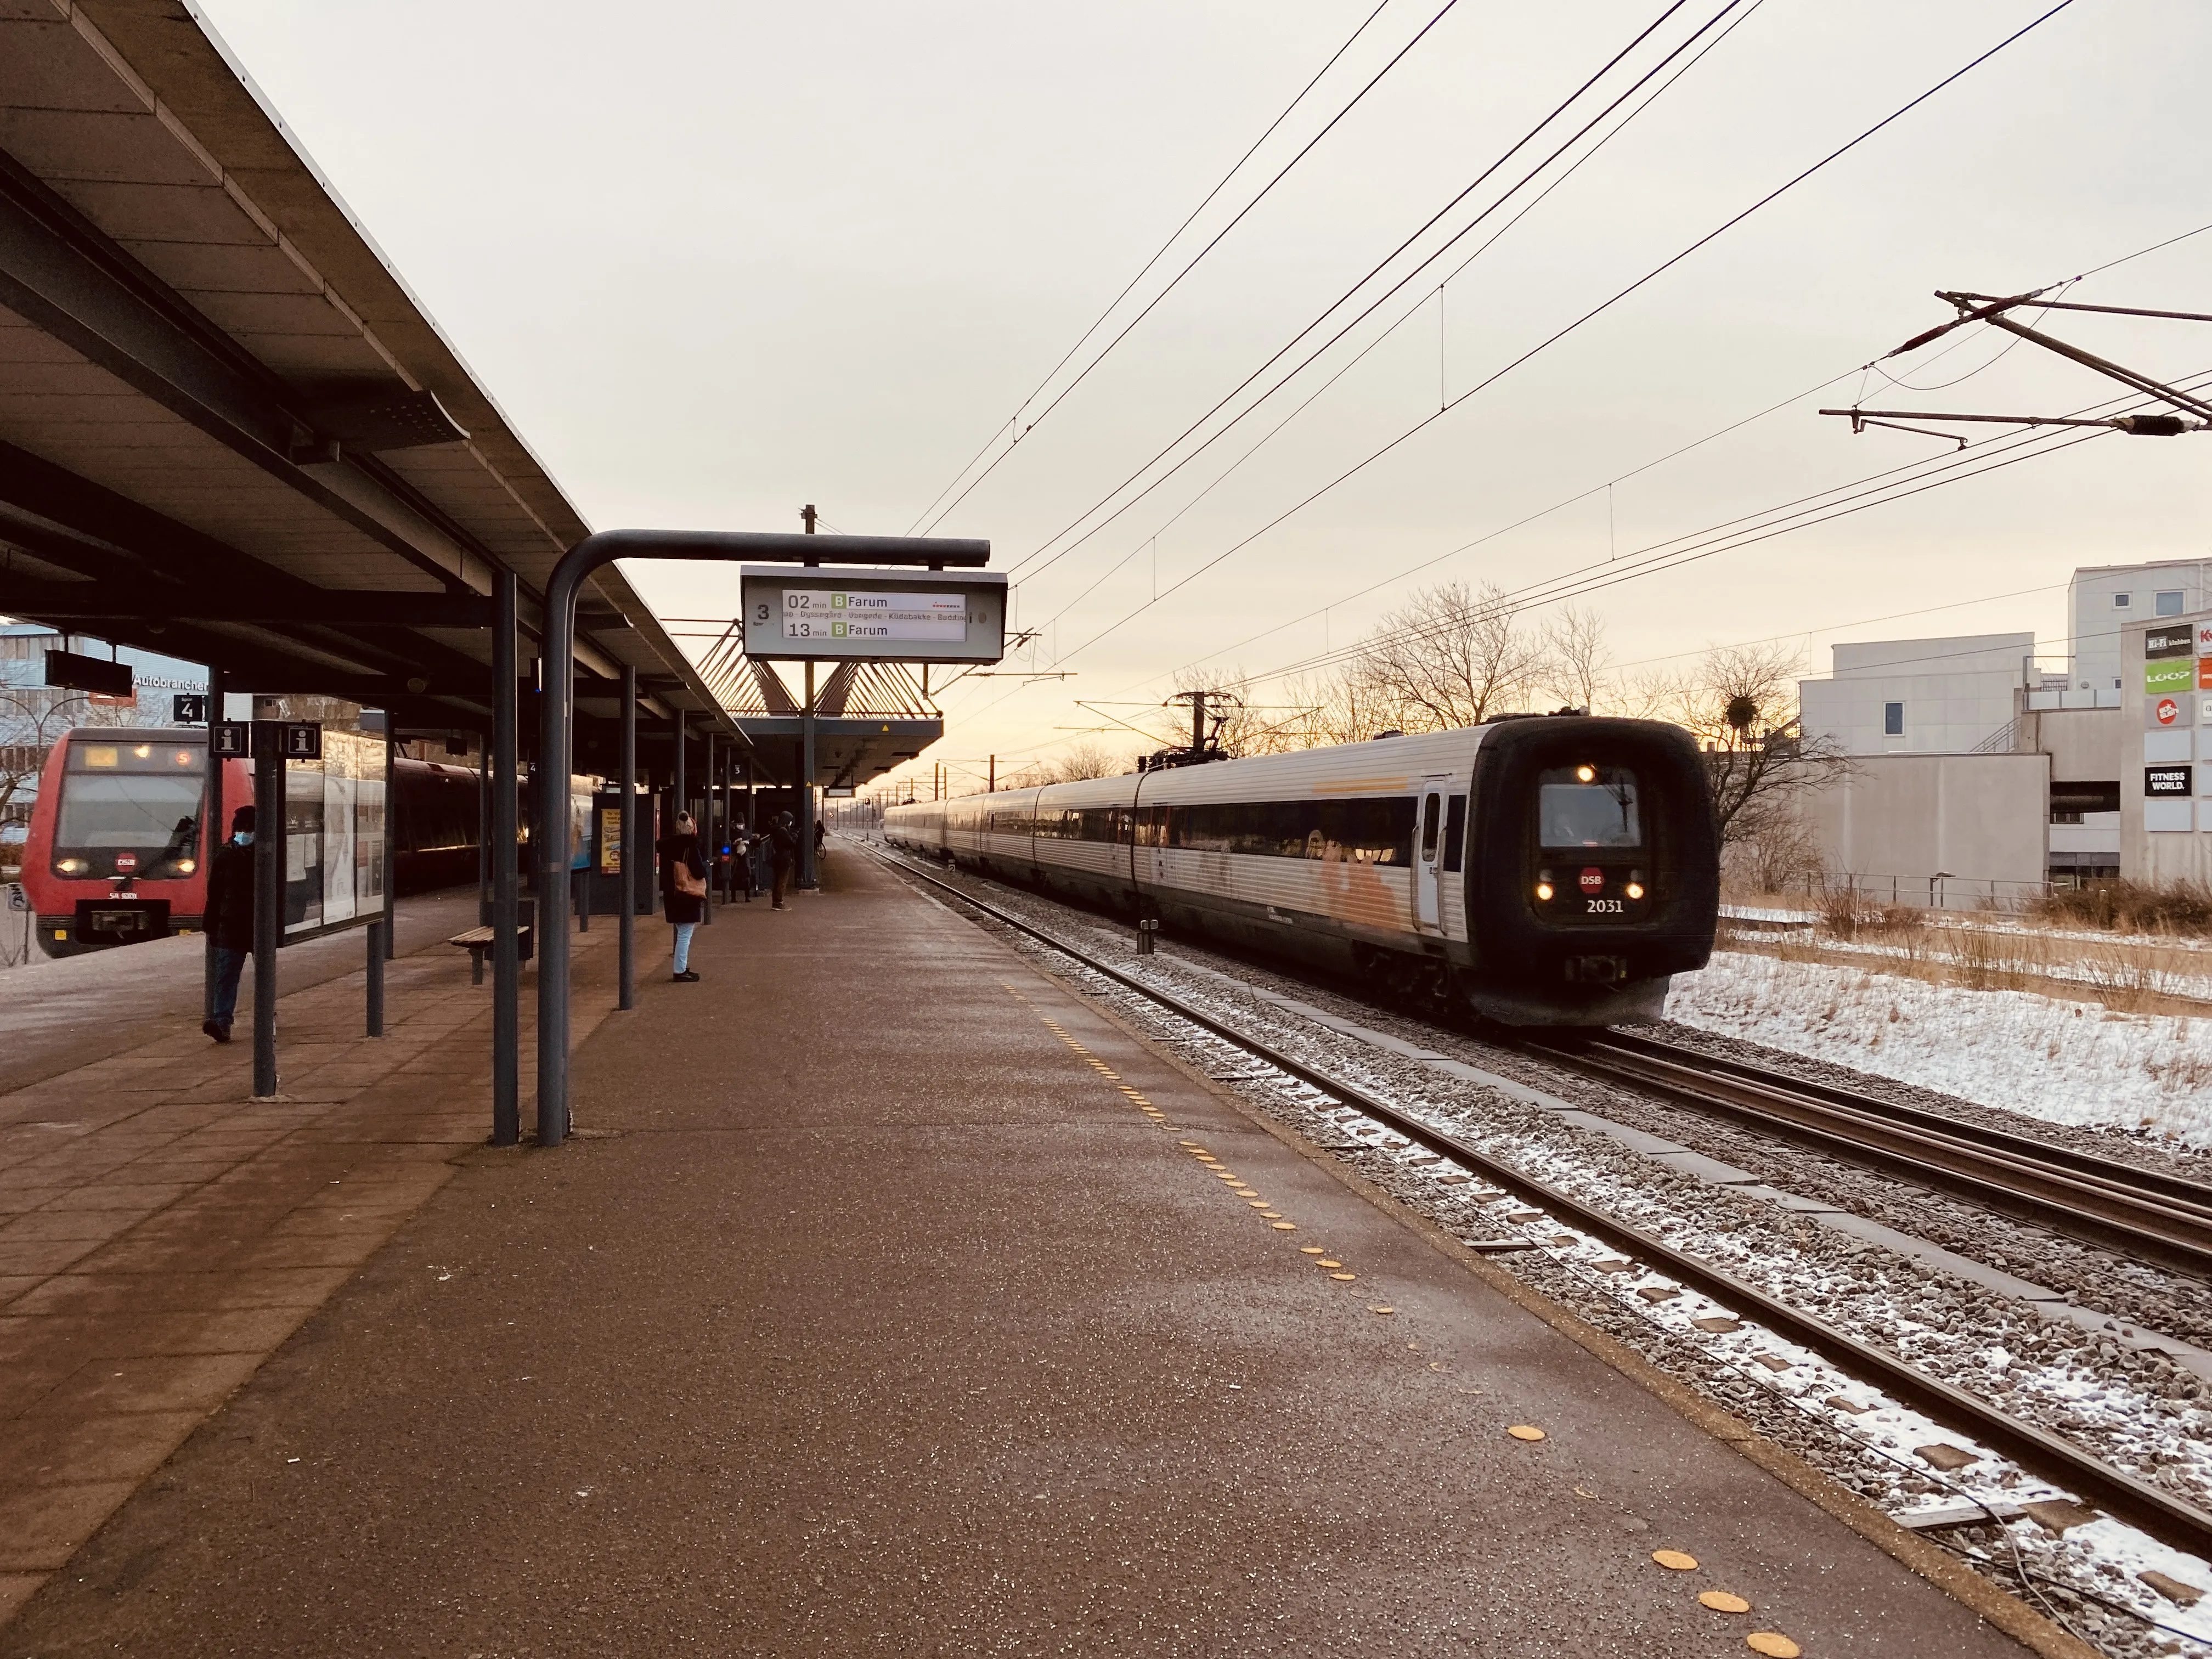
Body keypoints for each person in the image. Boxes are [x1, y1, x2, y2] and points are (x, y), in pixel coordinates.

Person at [202, 804, 255, 1043]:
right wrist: (211, 927)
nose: (243, 833)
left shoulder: (267, 853)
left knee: (262, 975)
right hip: (230, 926)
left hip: (258, 926)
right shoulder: (225, 855)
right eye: (240, 829)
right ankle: (222, 1022)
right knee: (226, 976)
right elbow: (214, 894)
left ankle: (267, 1016)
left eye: (248, 829)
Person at [657, 810, 708, 981]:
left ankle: (682, 967)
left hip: (673, 893)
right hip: (686, 894)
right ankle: (680, 971)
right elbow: (699, 872)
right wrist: (707, 866)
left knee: (681, 932)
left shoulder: (666, 846)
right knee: (685, 934)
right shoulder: (690, 847)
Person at [768, 809, 799, 910]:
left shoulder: (776, 830)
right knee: (782, 882)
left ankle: (775, 901)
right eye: (790, 820)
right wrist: (794, 836)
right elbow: (791, 843)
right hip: (783, 859)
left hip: (777, 859)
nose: (791, 823)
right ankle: (779, 903)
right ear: (786, 820)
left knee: (777, 881)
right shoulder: (782, 831)